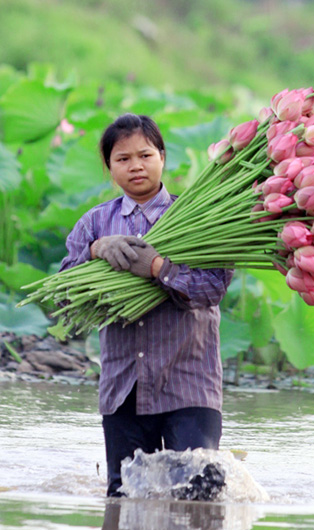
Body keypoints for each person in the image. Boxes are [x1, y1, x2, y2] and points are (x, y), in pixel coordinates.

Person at [59, 113, 234, 497]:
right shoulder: (94, 223)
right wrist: (95, 251)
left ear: (162, 157)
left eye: (145, 155)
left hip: (188, 382)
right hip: (124, 386)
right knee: (125, 497)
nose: (135, 165)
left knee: (198, 496)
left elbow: (210, 291)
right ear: (109, 167)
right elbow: (64, 293)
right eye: (122, 159)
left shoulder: (201, 219)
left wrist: (158, 268)